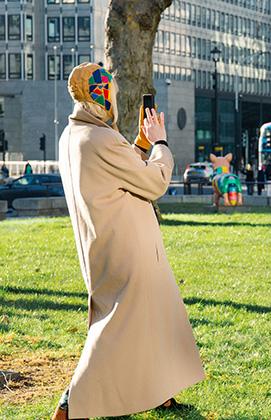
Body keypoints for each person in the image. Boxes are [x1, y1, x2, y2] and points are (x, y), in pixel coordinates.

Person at [52, 63, 204, 419]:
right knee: (117, 330)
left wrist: (140, 144)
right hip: (128, 249)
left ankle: (159, 394)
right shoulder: (101, 138)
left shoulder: (74, 136)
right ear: (102, 97)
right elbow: (154, 182)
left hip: (104, 244)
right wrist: (161, 143)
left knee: (148, 321)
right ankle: (71, 403)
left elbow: (119, 170)